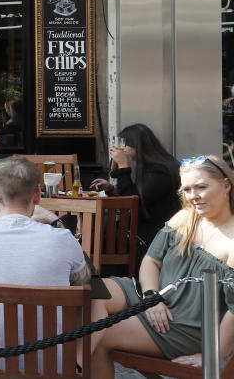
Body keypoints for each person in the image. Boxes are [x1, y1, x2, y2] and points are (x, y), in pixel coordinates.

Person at [91, 155, 234, 378]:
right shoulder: (185, 217)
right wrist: (152, 297)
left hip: (185, 325)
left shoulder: (231, 242)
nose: (193, 196)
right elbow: (151, 261)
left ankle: (67, 369)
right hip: (152, 295)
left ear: (226, 185)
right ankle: (71, 368)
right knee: (92, 293)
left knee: (101, 335)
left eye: (201, 187)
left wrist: (212, 354)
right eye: (187, 189)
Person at [0, 156, 91, 286]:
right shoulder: (63, 239)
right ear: (37, 196)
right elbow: (83, 281)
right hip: (47, 312)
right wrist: (55, 220)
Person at [90, 123, 181, 249]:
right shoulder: (154, 166)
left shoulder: (160, 170)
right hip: (148, 228)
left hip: (154, 234)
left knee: (93, 237)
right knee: (94, 232)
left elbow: (132, 201)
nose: (123, 150)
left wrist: (123, 165)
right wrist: (112, 188)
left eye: (124, 145)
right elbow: (140, 194)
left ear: (136, 145)